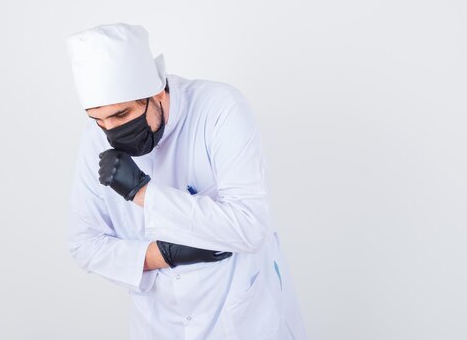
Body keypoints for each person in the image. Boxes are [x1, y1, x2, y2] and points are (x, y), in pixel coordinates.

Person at [66, 23, 309, 340]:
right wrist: (163, 255)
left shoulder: (219, 110)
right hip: (159, 323)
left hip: (238, 316)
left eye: (121, 115)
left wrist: (143, 193)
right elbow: (84, 244)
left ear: (154, 91)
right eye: (98, 120)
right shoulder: (95, 142)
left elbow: (251, 227)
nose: (111, 131)